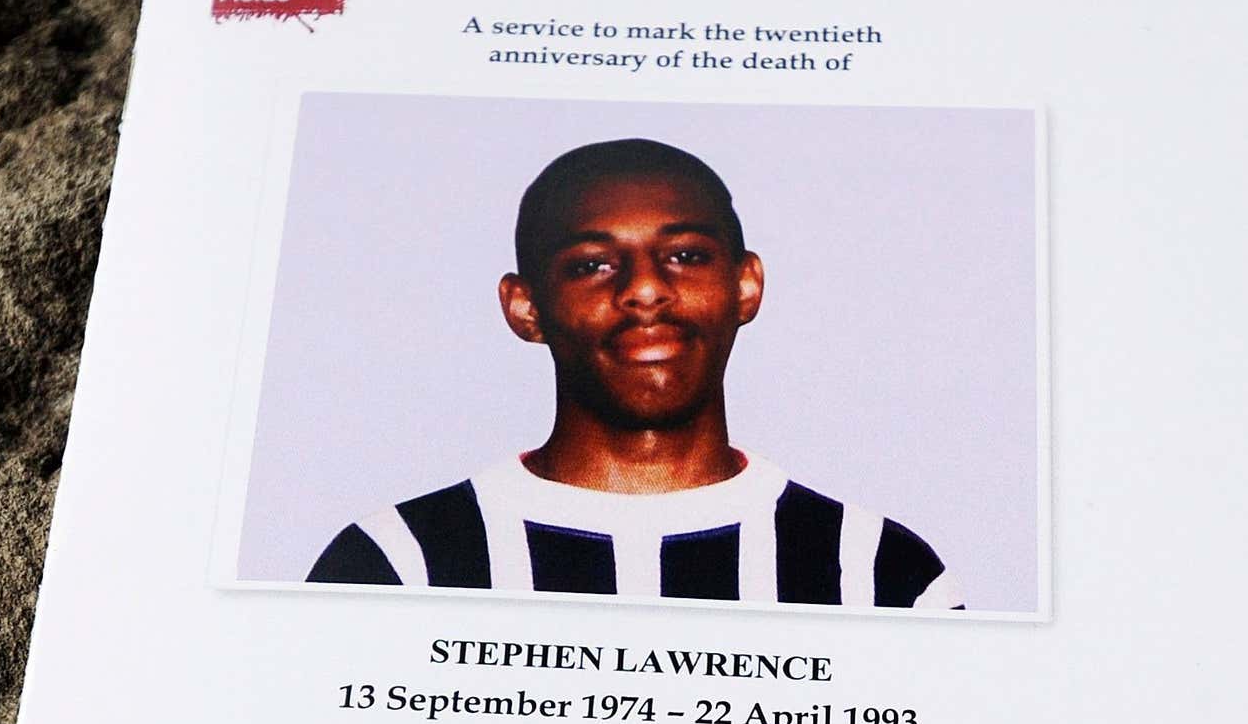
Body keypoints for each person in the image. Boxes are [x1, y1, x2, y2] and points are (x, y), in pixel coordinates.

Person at [308, 138, 961, 609]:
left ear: (745, 285)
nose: (646, 290)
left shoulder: (882, 575)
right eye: (593, 263)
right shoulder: (393, 565)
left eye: (683, 255)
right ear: (525, 306)